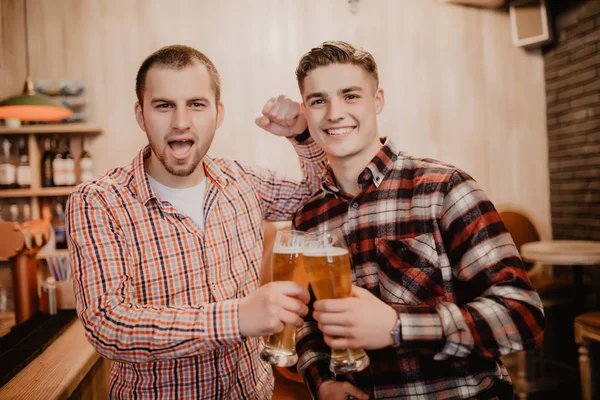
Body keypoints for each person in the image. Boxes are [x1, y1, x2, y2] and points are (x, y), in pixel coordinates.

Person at [66, 45, 328, 399]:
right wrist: (236, 317)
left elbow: (321, 197)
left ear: (218, 114)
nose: (180, 122)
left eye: (196, 104)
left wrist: (303, 135)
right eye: (163, 105)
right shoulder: (98, 201)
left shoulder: (242, 181)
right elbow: (108, 325)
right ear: (141, 115)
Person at [289, 41, 545, 400]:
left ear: (377, 101)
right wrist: (321, 382)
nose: (333, 113)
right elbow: (306, 322)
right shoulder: (307, 217)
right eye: (318, 100)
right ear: (306, 110)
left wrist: (398, 327)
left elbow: (523, 317)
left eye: (350, 96)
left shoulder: (444, 187)